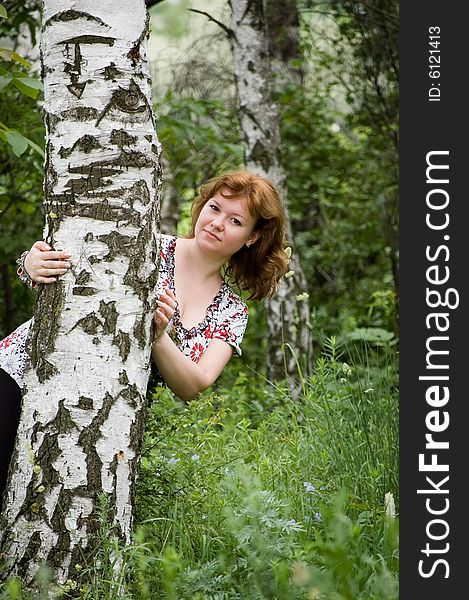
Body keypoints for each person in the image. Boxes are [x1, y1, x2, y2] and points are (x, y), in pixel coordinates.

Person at [0, 169, 289, 508]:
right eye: (214, 208)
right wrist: (31, 263)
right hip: (22, 368)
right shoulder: (145, 245)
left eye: (236, 221)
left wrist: (158, 337)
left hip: (93, 413)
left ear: (253, 237)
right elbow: (73, 272)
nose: (217, 223)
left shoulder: (230, 310)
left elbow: (194, 384)